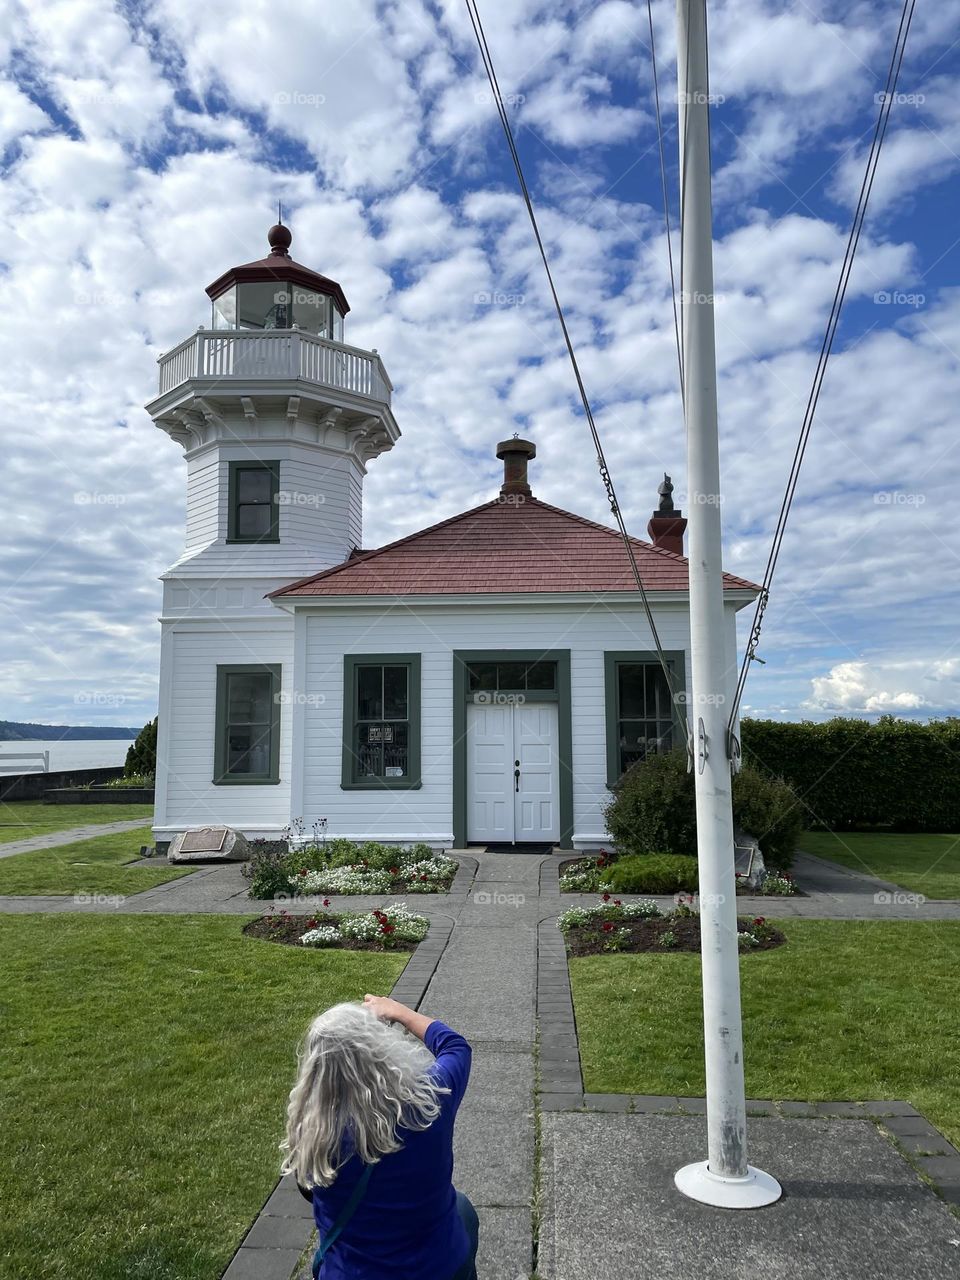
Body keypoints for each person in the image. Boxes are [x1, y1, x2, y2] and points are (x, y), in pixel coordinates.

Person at [281, 994, 478, 1280]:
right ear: (381, 1050)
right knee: (463, 1209)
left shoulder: (315, 1136)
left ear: (315, 1072)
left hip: (353, 1273)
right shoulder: (432, 1099)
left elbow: (310, 1191)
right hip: (440, 1268)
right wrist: (398, 1012)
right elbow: (455, 1046)